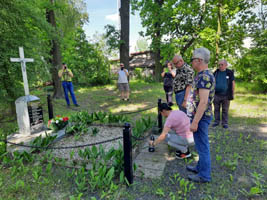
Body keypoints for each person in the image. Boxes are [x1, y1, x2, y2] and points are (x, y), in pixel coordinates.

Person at [186, 47, 215, 183]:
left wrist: (195, 122)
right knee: (199, 144)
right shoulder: (203, 74)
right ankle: (199, 167)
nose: (191, 62)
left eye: (192, 59)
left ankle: (204, 175)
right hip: (200, 116)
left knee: (203, 146)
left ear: (199, 60)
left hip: (201, 117)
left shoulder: (204, 76)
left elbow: (203, 102)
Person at [212, 60, 235, 129]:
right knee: (216, 109)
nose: (220, 66)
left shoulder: (229, 72)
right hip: (216, 94)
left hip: (226, 95)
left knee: (225, 110)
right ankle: (216, 122)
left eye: (221, 64)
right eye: (219, 65)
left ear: (226, 65)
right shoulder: (216, 72)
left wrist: (232, 93)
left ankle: (224, 123)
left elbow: (233, 83)